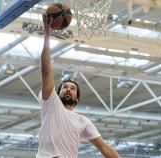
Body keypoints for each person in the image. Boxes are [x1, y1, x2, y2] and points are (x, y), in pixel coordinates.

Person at [36, 14, 121, 158]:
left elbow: (103, 146)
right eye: (65, 87)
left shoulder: (83, 121)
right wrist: (47, 34)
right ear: (58, 93)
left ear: (77, 98)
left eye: (72, 88)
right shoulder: (51, 102)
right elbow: (46, 70)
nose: (68, 89)